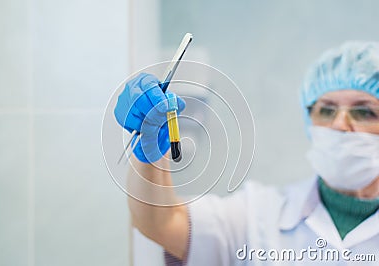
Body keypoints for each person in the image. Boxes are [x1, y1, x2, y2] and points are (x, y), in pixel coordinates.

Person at [114, 41, 379, 265]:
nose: (339, 124)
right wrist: (150, 156)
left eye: (364, 111)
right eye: (327, 110)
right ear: (309, 119)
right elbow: (161, 221)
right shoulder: (259, 216)